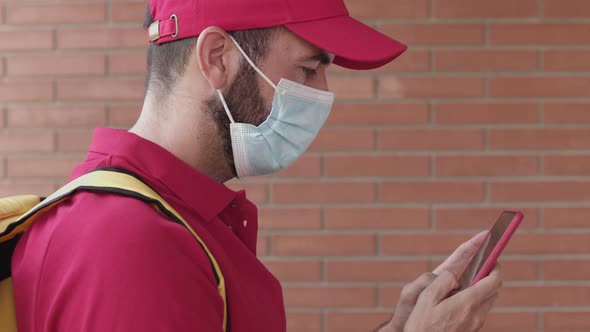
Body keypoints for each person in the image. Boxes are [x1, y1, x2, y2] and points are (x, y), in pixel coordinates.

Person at [11, 0, 503, 331]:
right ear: (218, 58)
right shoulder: (131, 242)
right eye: (309, 68)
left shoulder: (171, 221)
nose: (322, 94)